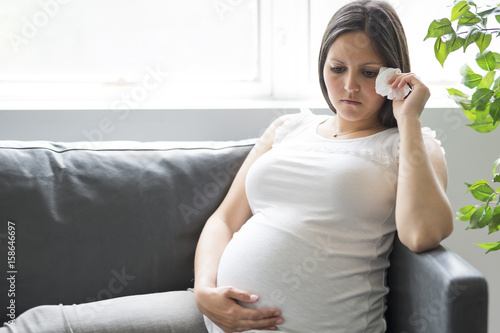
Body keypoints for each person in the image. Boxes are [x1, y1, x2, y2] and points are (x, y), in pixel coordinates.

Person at [0, 1, 453, 332]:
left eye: (370, 73)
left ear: (397, 76)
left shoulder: (409, 146)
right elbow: (224, 219)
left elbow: (421, 233)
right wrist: (204, 290)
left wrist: (408, 120)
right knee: (43, 324)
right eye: (337, 69)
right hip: (215, 316)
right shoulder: (288, 128)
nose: (349, 86)